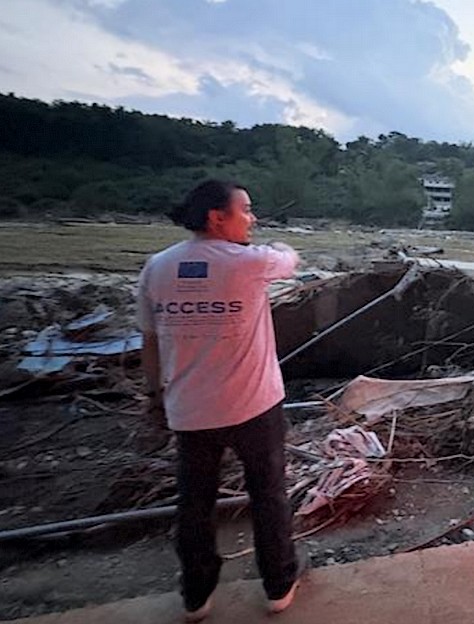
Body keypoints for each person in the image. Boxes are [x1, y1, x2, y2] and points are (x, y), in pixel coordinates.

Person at [136, 180, 306, 621]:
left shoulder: (156, 267)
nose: (252, 218)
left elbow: (150, 342)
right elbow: (290, 259)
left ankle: (196, 594)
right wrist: (281, 243)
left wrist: (156, 396)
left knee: (194, 502)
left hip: (189, 410)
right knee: (268, 495)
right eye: (245, 210)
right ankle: (278, 585)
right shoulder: (249, 262)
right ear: (217, 217)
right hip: (254, 406)